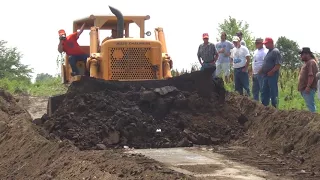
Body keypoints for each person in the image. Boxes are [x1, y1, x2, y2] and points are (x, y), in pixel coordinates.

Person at [259, 37, 282, 108]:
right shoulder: (269, 52)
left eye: (266, 44)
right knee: (264, 91)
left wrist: (272, 71)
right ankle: (264, 106)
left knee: (273, 91)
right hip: (266, 75)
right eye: (265, 44)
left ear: (271, 43)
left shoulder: (275, 51)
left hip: (272, 75)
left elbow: (278, 64)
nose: (265, 45)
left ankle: (275, 107)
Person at [298, 47, 319, 112]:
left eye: (302, 54)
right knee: (309, 105)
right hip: (305, 88)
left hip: (308, 88)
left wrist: (308, 86)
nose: (301, 56)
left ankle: (314, 120)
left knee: (310, 106)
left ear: (307, 54)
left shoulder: (311, 62)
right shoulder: (308, 63)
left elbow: (311, 76)